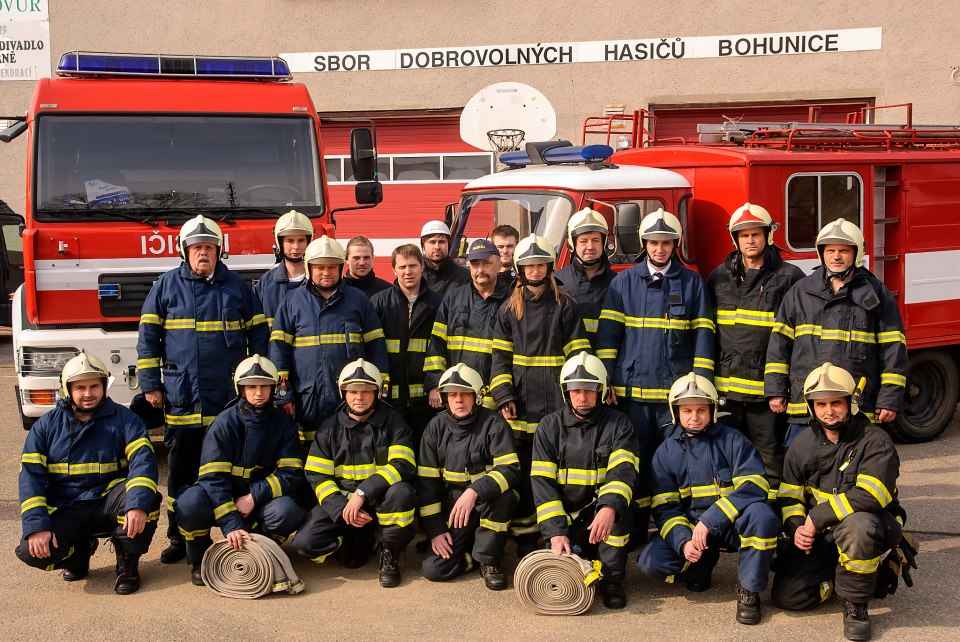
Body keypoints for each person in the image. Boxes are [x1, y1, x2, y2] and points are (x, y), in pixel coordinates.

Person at [137, 214, 269, 564]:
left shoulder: (238, 287)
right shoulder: (165, 286)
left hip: (226, 401)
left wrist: (257, 383)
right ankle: (179, 538)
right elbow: (148, 339)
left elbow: (259, 338)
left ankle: (234, 530)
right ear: (184, 251)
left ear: (219, 251)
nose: (203, 254)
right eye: (196, 248)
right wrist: (151, 385)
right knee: (180, 475)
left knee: (225, 469)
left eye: (209, 248)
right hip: (182, 400)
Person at [596, 208, 714, 542]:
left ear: (674, 244)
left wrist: (699, 389)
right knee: (634, 462)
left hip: (674, 398)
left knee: (674, 465)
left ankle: (673, 530)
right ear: (643, 243)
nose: (659, 249)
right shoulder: (624, 282)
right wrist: (607, 381)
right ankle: (633, 529)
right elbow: (608, 339)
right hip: (633, 396)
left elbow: (703, 337)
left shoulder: (692, 283)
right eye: (653, 242)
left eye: (665, 243)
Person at [772, 363, 910, 642]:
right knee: (789, 597)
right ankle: (838, 580)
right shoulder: (802, 445)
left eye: (836, 402)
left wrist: (816, 518)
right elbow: (789, 495)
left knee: (858, 526)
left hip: (874, 525)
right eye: (820, 404)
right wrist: (798, 526)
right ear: (811, 406)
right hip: (823, 533)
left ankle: (856, 605)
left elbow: (874, 495)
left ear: (851, 403)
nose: (829, 410)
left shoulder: (875, 441)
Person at [637, 373, 779, 626]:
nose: (694, 416)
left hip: (730, 526)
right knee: (652, 563)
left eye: (702, 409)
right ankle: (700, 565)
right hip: (692, 530)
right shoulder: (665, 452)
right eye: (687, 410)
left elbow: (755, 485)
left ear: (712, 409)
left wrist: (710, 521)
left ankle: (749, 591)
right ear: (675, 412)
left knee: (762, 516)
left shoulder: (733, 440)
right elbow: (664, 508)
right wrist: (682, 542)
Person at [17, 352, 162, 595]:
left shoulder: (126, 420)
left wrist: (137, 504)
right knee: (29, 552)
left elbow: (143, 464)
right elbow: (30, 478)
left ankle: (127, 564)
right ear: (68, 389)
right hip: (67, 506)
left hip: (108, 500)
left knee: (148, 501)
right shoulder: (46, 427)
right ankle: (78, 555)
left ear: (104, 386)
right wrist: (37, 526)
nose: (88, 393)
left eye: (94, 386)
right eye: (80, 387)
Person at [766, 219, 908, 446]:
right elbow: (779, 346)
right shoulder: (800, 291)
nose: (836, 256)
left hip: (856, 406)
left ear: (857, 253)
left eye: (844, 250)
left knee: (856, 467)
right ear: (821, 253)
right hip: (807, 405)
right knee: (801, 468)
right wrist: (775, 390)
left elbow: (893, 351)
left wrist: (889, 398)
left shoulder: (876, 294)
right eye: (830, 250)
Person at [491, 234, 590, 551]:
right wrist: (504, 395)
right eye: (529, 265)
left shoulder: (567, 306)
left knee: (556, 475)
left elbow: (579, 358)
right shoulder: (509, 310)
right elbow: (500, 359)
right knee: (523, 477)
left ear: (549, 267)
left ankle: (556, 536)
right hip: (521, 407)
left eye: (540, 264)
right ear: (520, 269)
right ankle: (524, 540)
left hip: (559, 406)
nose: (535, 269)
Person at [174, 355, 306, 586]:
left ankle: (260, 547)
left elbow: (291, 473)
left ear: (274, 388)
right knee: (189, 503)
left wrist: (254, 497)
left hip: (258, 500)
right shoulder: (224, 424)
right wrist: (231, 523)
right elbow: (213, 479)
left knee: (288, 511)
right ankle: (199, 558)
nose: (258, 392)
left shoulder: (283, 424)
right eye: (251, 386)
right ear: (240, 389)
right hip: (222, 499)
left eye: (264, 386)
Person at [706, 203, 804, 492]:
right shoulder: (718, 277)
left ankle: (772, 517)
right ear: (735, 240)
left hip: (766, 393)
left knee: (771, 456)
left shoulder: (789, 277)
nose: (750, 240)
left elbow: (797, 339)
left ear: (768, 237)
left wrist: (782, 388)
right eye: (744, 235)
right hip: (727, 391)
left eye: (756, 234)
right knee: (727, 456)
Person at [294, 360, 417, 588]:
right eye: (352, 391)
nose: (359, 397)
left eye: (366, 391)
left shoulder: (394, 422)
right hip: (343, 506)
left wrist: (363, 492)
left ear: (377, 393)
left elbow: (403, 464)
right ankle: (349, 541)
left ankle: (389, 553)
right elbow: (316, 475)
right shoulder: (328, 428)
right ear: (343, 393)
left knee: (402, 493)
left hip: (380, 502)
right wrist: (341, 509)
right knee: (304, 543)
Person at [531, 353, 639, 609]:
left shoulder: (619, 425)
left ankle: (612, 581)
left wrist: (609, 507)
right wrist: (556, 532)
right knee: (560, 582)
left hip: (600, 516)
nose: (582, 397)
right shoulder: (548, 427)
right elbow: (542, 485)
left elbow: (623, 471)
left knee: (619, 515)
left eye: (589, 390)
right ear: (565, 391)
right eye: (575, 390)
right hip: (566, 520)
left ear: (601, 390)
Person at [268, 235, 389, 446]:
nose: (326, 273)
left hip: (351, 395)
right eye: (320, 267)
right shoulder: (292, 302)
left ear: (341, 268)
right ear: (309, 268)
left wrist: (381, 388)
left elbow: (376, 347)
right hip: (307, 398)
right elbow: (279, 349)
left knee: (353, 446)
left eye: (332, 267)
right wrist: (283, 394)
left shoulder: (358, 300)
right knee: (310, 450)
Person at [419, 364, 520, 590]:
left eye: (465, 394)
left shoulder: (494, 424)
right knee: (433, 569)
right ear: (445, 399)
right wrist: (435, 530)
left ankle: (489, 561)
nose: (459, 400)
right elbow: (427, 484)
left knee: (506, 498)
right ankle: (473, 558)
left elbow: (510, 469)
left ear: (477, 396)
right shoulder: (434, 428)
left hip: (487, 501)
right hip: (454, 508)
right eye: (452, 395)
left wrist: (475, 491)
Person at [424, 238, 511, 412]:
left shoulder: (512, 300)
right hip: (458, 395)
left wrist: (507, 395)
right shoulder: (453, 298)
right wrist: (435, 382)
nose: (480, 270)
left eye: (487, 263)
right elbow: (436, 343)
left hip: (495, 400)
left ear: (499, 263)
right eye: (475, 264)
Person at [371, 244, 442, 453]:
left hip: (425, 399)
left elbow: (440, 347)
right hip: (391, 398)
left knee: (426, 450)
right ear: (394, 270)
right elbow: (373, 348)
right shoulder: (380, 303)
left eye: (412, 266)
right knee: (394, 450)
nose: (408, 272)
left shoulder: (438, 304)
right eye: (402, 267)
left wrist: (435, 384)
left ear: (422, 266)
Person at [555, 207, 616, 342]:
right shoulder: (558, 281)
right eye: (583, 241)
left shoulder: (618, 283)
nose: (590, 246)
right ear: (573, 243)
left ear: (603, 243)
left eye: (595, 240)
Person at [257, 209, 314, 327]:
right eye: (290, 241)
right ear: (280, 243)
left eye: (301, 240)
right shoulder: (266, 282)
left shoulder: (319, 281)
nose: (296, 247)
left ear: (309, 241)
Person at [420, 220, 470, 299]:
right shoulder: (415, 277)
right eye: (432, 242)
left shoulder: (465, 277)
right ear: (423, 246)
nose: (437, 247)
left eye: (442, 242)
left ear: (448, 244)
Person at [490, 224, 519, 290]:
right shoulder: (485, 276)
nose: (505, 251)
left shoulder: (524, 277)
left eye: (509, 246)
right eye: (500, 247)